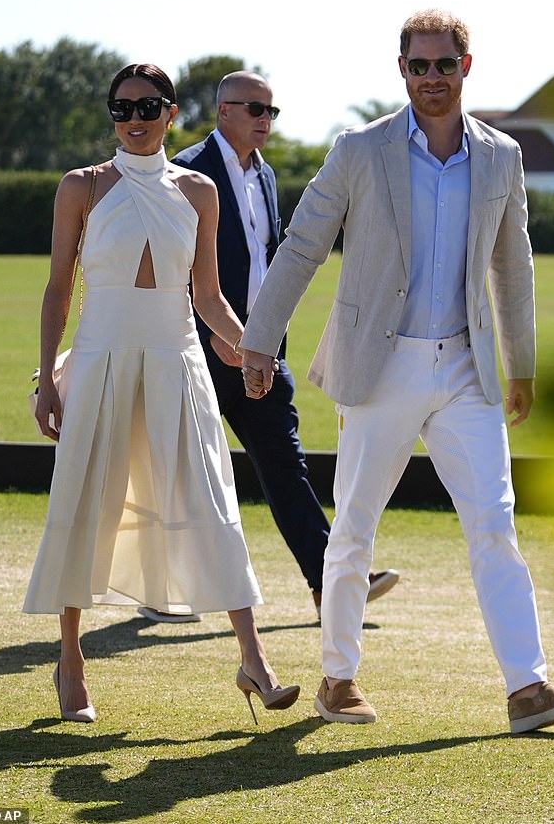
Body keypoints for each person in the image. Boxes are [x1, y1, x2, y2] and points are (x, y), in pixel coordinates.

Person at [239, 10, 554, 733]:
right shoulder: (360, 149)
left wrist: (520, 364)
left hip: (467, 370)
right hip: (382, 366)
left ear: (467, 67)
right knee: (354, 528)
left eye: (444, 64)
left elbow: (512, 264)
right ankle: (337, 678)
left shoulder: (501, 155)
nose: (431, 78)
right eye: (418, 65)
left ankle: (527, 689)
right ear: (400, 69)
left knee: (495, 524)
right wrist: (259, 341)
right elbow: (304, 244)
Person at [23, 63, 299, 726]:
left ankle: (254, 659)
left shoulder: (200, 190)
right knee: (84, 499)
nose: (135, 117)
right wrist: (47, 376)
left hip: (179, 360)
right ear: (111, 114)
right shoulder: (81, 186)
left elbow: (207, 295)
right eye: (122, 107)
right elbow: (60, 286)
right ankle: (70, 659)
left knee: (212, 496)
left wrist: (251, 348)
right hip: (99, 359)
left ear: (173, 112)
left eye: (149, 105)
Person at [135, 70, 397, 625]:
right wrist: (212, 333)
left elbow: (272, 258)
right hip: (196, 346)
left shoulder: (267, 176)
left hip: (258, 348)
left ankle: (329, 583)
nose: (264, 120)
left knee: (284, 462)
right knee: (183, 467)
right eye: (255, 109)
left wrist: (265, 340)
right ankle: (159, 590)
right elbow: (165, 264)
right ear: (222, 110)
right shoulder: (184, 171)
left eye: (271, 112)